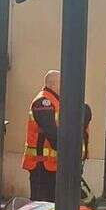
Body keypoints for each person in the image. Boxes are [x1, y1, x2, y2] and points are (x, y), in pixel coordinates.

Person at [22, 70, 61, 202]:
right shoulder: (44, 101)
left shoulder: (54, 101)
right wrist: (67, 150)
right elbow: (51, 131)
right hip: (41, 163)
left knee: (49, 205)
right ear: (53, 84)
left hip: (48, 163)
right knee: (41, 205)